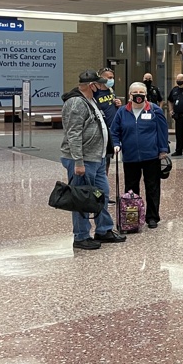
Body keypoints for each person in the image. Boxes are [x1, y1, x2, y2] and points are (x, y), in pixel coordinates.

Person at [59, 70, 122, 250]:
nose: (103, 85)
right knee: (82, 199)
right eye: (99, 83)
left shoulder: (90, 100)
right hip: (83, 160)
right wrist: (78, 162)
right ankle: (81, 236)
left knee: (101, 194)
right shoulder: (76, 103)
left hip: (97, 158)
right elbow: (74, 134)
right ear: (91, 85)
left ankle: (103, 230)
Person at [110, 82, 169, 229]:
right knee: (131, 188)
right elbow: (114, 131)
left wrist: (163, 149)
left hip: (151, 156)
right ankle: (132, 217)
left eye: (141, 92)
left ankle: (152, 217)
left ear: (146, 95)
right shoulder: (122, 112)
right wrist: (116, 144)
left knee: (152, 187)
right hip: (130, 156)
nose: (138, 95)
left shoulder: (154, 110)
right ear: (130, 95)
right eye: (135, 92)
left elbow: (162, 131)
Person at [92, 67, 122, 178]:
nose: (111, 80)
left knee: (108, 159)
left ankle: (104, 180)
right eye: (109, 78)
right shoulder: (95, 93)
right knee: (99, 160)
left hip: (111, 131)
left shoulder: (111, 91)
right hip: (100, 131)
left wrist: (118, 104)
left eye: (112, 78)